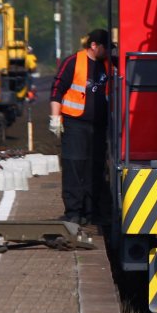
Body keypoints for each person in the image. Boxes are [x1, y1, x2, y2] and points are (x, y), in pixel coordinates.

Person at [49, 28, 110, 225]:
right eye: (106, 47)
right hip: (75, 123)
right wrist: (55, 117)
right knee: (74, 167)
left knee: (95, 168)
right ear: (94, 46)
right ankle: (73, 213)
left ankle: (91, 213)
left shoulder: (108, 65)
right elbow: (57, 90)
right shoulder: (73, 61)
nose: (109, 51)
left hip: (99, 126)